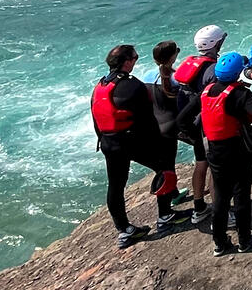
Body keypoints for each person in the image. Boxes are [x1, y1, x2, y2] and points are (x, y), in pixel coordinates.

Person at [90, 44, 183, 249]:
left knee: (116, 185)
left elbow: (96, 117)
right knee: (165, 168)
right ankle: (165, 217)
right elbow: (147, 120)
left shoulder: (100, 85)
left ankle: (124, 231)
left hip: (108, 142)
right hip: (132, 141)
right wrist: (156, 141)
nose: (136, 60)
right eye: (135, 57)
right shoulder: (133, 85)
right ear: (127, 62)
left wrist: (104, 140)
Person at [179, 53, 252, 257]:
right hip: (238, 149)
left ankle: (220, 243)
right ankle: (245, 240)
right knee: (241, 194)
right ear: (237, 73)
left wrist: (197, 136)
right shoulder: (240, 93)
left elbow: (182, 119)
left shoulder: (205, 91)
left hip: (214, 150)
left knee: (221, 196)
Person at [172, 25, 226, 222]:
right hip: (207, 126)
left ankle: (199, 207)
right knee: (214, 170)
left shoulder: (190, 64)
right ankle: (222, 214)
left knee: (200, 164)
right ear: (216, 43)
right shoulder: (213, 70)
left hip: (192, 125)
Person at [147, 40, 192, 210]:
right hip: (174, 125)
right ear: (172, 56)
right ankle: (166, 210)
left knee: (167, 164)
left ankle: (173, 193)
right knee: (202, 148)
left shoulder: (148, 75)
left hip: (156, 126)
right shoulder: (175, 77)